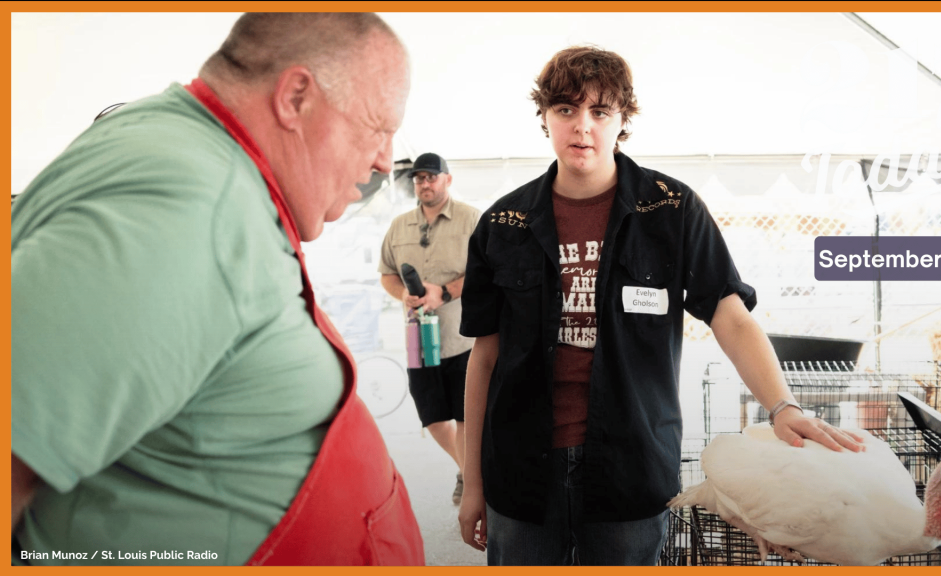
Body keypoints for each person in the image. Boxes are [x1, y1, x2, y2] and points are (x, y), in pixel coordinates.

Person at [11, 13, 424, 566]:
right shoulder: (188, 210)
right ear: (296, 96)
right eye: (377, 127)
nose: (382, 158)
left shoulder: (191, 153)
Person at [456, 46, 866, 566]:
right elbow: (483, 358)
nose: (582, 127)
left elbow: (729, 315)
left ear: (623, 119)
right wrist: (474, 483)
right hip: (520, 468)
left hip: (629, 465)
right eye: (565, 110)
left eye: (600, 111)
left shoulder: (671, 209)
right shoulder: (503, 222)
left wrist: (782, 405)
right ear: (544, 117)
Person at [379, 153, 481, 505]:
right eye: (419, 178)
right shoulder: (399, 226)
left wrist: (447, 291)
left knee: (466, 418)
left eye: (431, 177)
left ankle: (470, 483)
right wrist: (403, 294)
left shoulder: (472, 220)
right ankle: (469, 472)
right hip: (418, 341)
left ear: (447, 180)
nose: (424, 183)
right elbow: (387, 275)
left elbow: (487, 273)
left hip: (462, 339)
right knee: (434, 418)